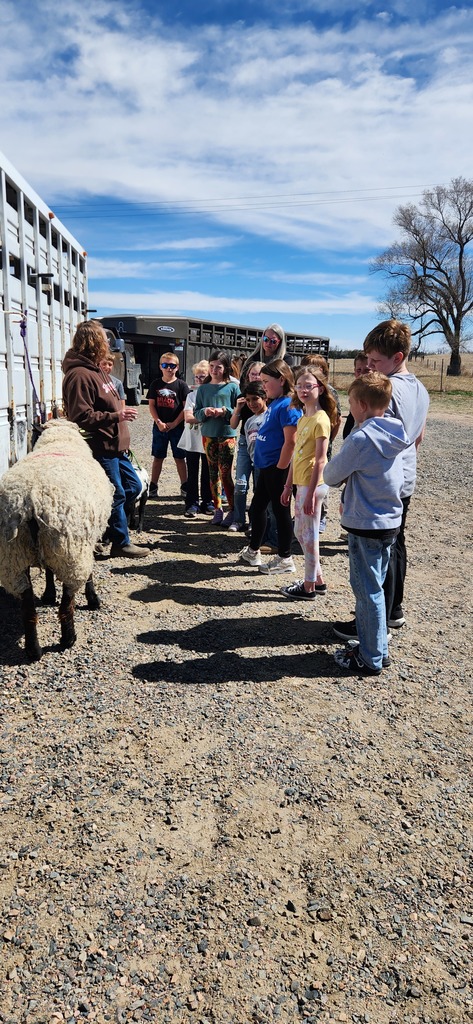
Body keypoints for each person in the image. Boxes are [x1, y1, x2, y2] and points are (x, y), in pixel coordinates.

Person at [333, 319, 429, 641]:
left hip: (378, 483)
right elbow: (418, 438)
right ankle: (392, 611)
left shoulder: (385, 391)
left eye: (375, 361)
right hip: (403, 478)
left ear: (397, 357)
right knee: (395, 542)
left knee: (374, 557)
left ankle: (374, 624)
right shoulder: (420, 389)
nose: (370, 367)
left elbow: (370, 443)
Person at [324, 372, 410, 675]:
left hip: (366, 524)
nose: (350, 409)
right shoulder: (395, 433)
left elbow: (331, 475)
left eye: (350, 403)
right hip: (389, 521)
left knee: (366, 591)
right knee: (376, 587)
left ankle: (369, 657)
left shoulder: (361, 439)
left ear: (361, 404)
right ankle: (378, 649)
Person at [62, 320, 149, 559]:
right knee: (115, 494)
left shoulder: (97, 370)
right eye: (104, 339)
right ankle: (120, 542)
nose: (108, 344)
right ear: (93, 342)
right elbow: (81, 416)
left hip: (116, 446)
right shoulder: (79, 375)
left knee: (134, 487)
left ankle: (104, 531)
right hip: (100, 446)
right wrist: (116, 416)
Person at [239, 359, 301, 574]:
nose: (263, 385)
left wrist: (281, 469)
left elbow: (291, 441)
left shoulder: (288, 405)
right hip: (266, 467)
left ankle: (285, 558)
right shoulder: (276, 403)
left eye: (266, 381)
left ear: (281, 380)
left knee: (280, 512)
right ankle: (253, 550)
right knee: (257, 509)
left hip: (277, 469)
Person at [280, 367, 337, 600]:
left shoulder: (321, 419)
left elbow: (321, 460)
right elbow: (297, 455)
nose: (303, 390)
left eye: (309, 386)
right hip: (301, 484)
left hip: (313, 486)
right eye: (299, 386)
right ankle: (318, 581)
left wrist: (311, 493)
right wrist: (288, 485)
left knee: (310, 535)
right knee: (300, 532)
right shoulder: (303, 418)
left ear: (320, 389)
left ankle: (308, 586)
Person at [193, 351, 240, 526]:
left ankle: (233, 510)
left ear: (226, 368)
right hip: (208, 435)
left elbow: (239, 411)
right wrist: (205, 412)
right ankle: (217, 508)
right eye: (211, 366)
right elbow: (196, 412)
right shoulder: (203, 389)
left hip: (227, 434)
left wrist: (225, 411)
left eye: (218, 367)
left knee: (226, 473)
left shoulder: (233, 387)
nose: (214, 370)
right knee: (213, 474)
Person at [229, 361, 264, 532]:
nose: (256, 377)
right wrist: (238, 408)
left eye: (259, 374)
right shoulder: (243, 397)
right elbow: (233, 425)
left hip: (262, 444)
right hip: (245, 442)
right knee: (240, 484)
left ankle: (256, 522)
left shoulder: (266, 398)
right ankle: (238, 519)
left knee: (259, 486)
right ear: (247, 375)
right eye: (253, 374)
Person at [148, 353, 189, 498]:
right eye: (165, 365)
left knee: (180, 458)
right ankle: (153, 486)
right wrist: (158, 422)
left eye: (172, 365)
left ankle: (185, 486)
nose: (169, 369)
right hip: (159, 427)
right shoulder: (155, 384)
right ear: (160, 367)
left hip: (177, 428)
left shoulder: (182, 385)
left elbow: (186, 407)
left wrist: (175, 423)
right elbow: (151, 405)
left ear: (177, 367)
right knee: (158, 457)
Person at [179, 361, 214, 517]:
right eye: (196, 377)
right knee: (192, 472)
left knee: (208, 472)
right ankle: (191, 503)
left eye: (202, 376)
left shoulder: (212, 395)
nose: (199, 380)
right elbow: (188, 417)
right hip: (192, 438)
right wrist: (206, 415)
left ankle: (207, 501)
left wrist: (199, 415)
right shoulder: (191, 395)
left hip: (208, 437)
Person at [342, 351, 369, 438]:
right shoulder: (355, 389)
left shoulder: (376, 394)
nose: (362, 374)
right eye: (358, 370)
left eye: (367, 370)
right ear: (354, 371)